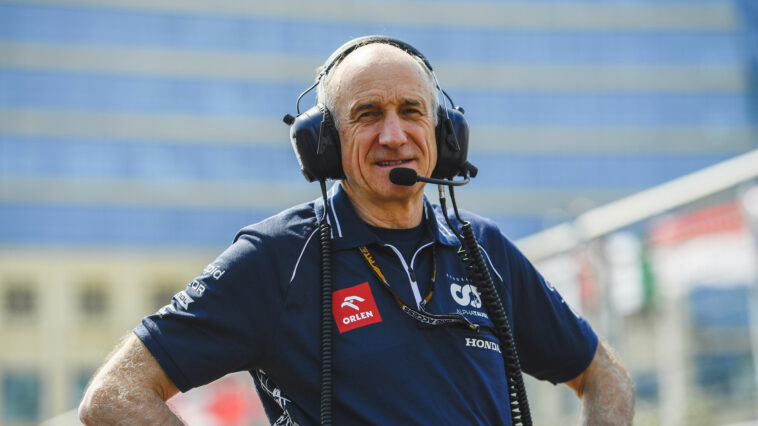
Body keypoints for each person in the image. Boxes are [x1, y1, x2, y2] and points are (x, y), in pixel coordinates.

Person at [79, 36, 634, 425]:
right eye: (368, 114)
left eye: (411, 111)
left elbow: (605, 376)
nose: (394, 135)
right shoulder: (277, 257)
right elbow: (114, 396)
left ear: (443, 135)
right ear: (324, 144)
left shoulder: (484, 249)